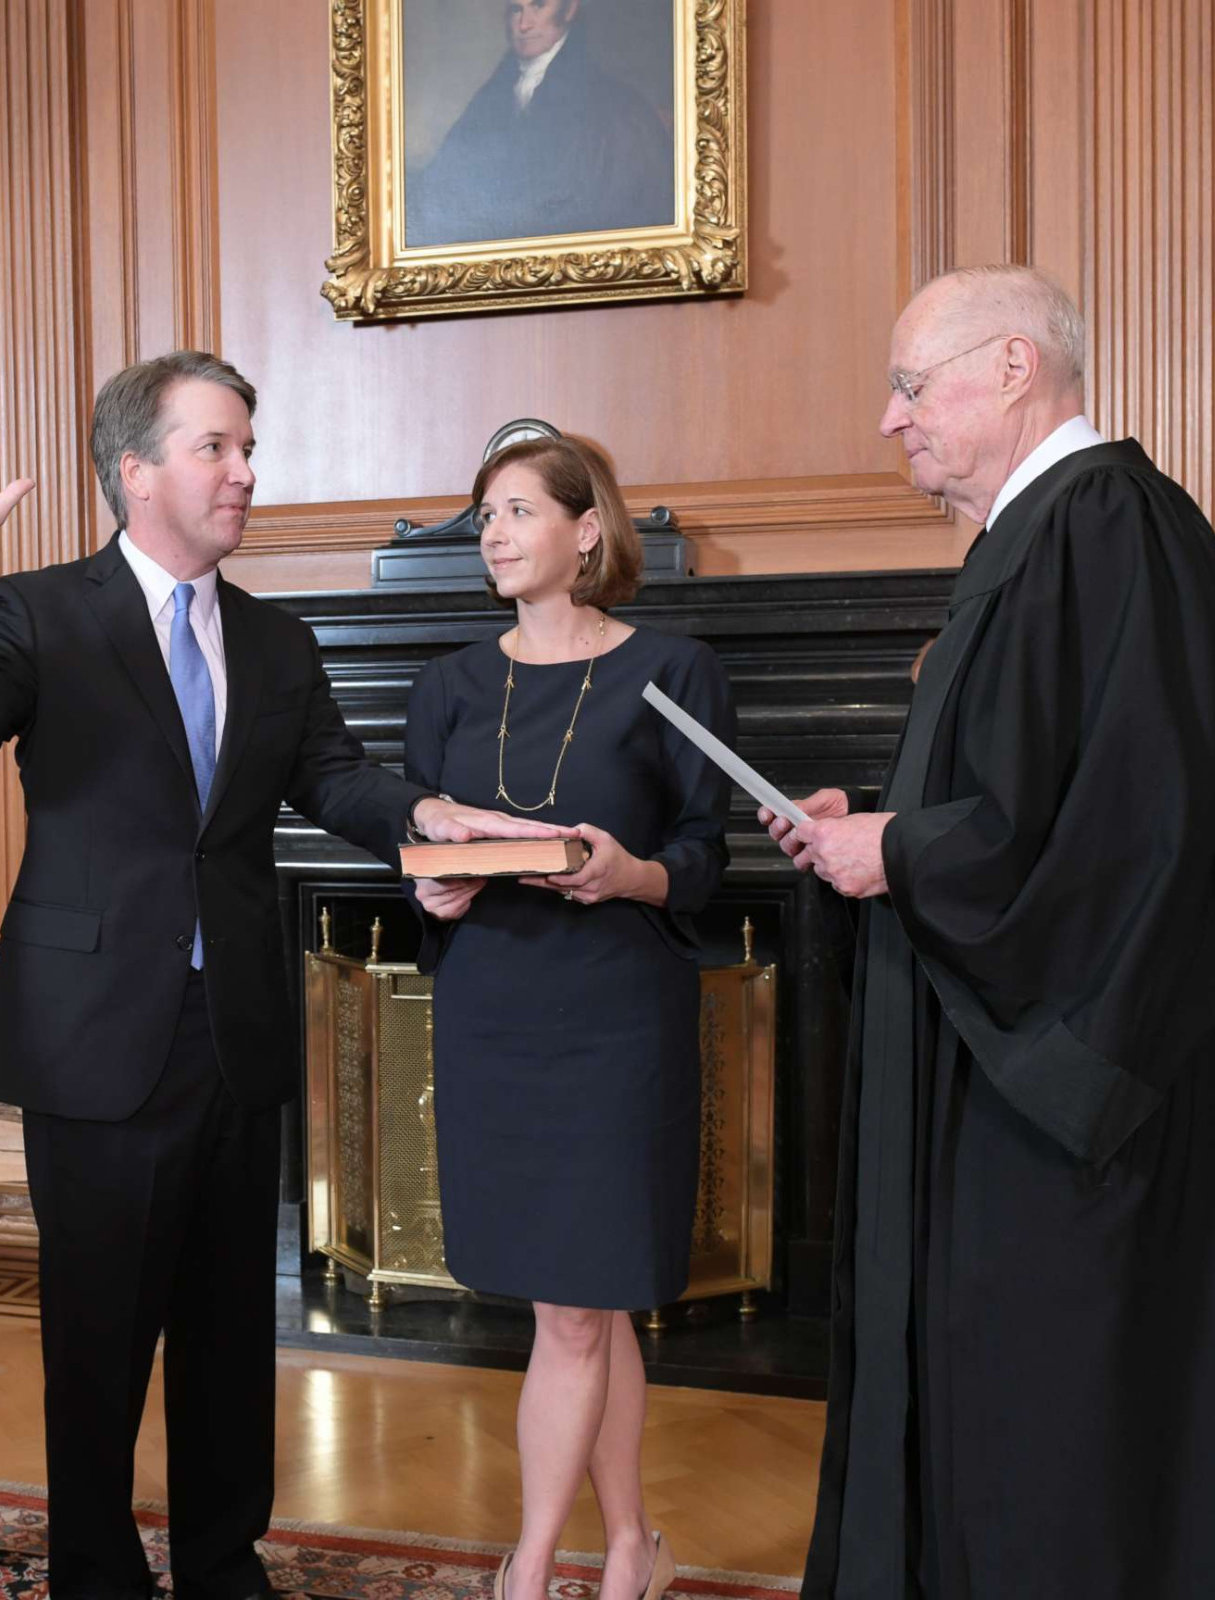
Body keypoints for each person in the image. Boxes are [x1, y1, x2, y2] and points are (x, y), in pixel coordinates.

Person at [0, 352, 558, 1600]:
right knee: (97, 1336)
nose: (247, 469)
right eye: (218, 447)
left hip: (236, 1027)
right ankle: (93, 1568)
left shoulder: (274, 633)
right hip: (93, 1034)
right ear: (135, 470)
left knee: (227, 1327)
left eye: (250, 445)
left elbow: (333, 777)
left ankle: (221, 1560)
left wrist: (426, 815)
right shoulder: (41, 610)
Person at [767, 265, 1215, 1598]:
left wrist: (899, 849)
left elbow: (1132, 832)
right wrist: (886, 819)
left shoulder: (1109, 526)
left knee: (1058, 1422)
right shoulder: (1041, 538)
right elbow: (1022, 793)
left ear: (1014, 367)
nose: (891, 421)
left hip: (1068, 1105)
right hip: (1000, 1070)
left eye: (912, 386)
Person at [403, 434, 730, 1600]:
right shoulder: (445, 686)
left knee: (580, 1313)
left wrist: (627, 871)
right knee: (585, 1303)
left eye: (518, 510)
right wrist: (432, 886)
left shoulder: (672, 669)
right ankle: (632, 1545)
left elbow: (707, 853)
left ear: (588, 530)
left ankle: (533, 1568)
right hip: (493, 1009)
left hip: (616, 1017)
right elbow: (431, 858)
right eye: (483, 514)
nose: (491, 532)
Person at [406, 0, 674, 248]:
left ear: (569, 10)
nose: (523, 24)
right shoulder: (495, 93)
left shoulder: (614, 110)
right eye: (515, 9)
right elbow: (445, 181)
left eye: (538, 6)